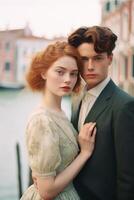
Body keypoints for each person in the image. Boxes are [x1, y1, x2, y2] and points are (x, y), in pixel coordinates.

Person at [20, 41, 97, 200]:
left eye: (73, 73)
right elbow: (46, 192)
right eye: (60, 72)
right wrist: (85, 153)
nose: (68, 79)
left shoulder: (61, 112)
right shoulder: (42, 120)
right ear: (43, 73)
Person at [68, 26, 134, 200]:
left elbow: (128, 177)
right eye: (84, 59)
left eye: (97, 58)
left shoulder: (124, 105)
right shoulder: (76, 99)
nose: (90, 66)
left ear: (110, 59)